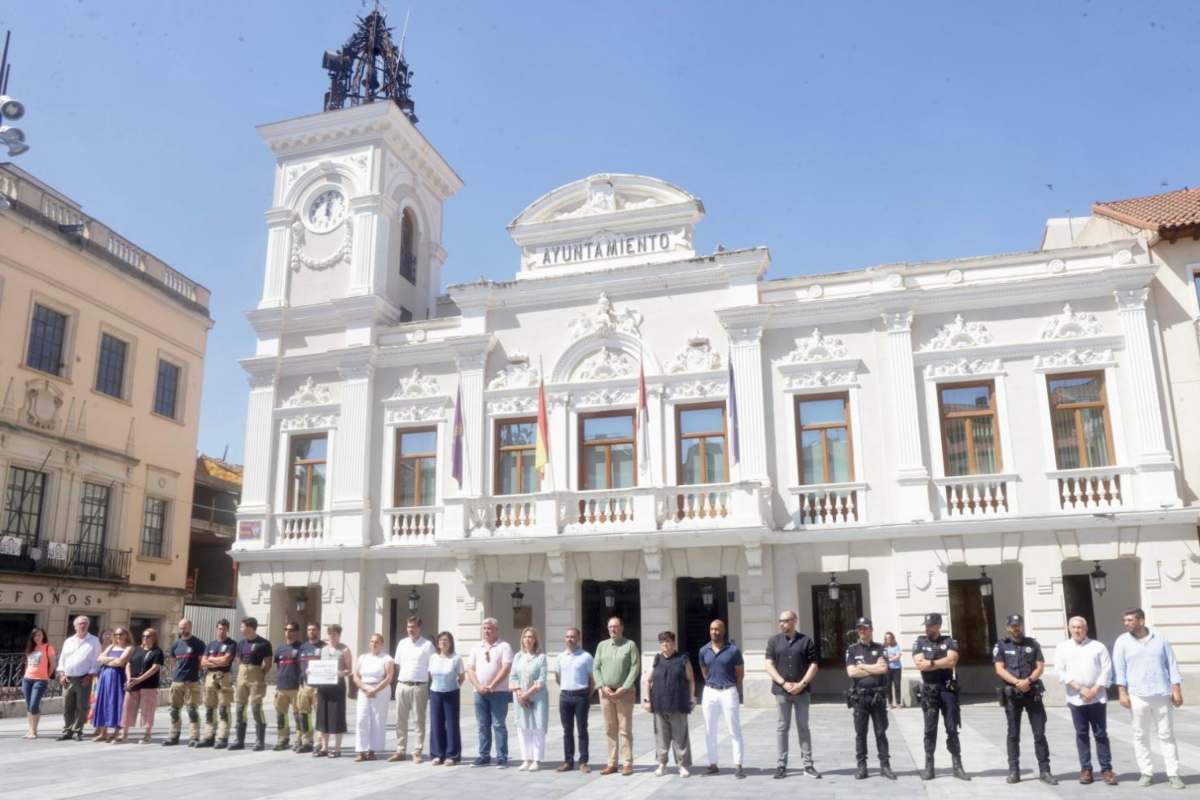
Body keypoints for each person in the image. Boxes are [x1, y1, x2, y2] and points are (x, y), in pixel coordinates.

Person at [1112, 607, 1185, 790]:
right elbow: (1119, 670)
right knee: (1140, 735)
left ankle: (1173, 773)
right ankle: (1147, 773)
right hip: (1137, 695)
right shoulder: (1122, 641)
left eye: (1130, 620)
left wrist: (1176, 689)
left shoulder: (1160, 638)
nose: (1126, 623)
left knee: (1167, 735)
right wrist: (1122, 693)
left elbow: (1172, 664)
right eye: (1125, 620)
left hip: (1161, 693)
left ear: (1141, 621)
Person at [994, 613, 1056, 784]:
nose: (1016, 628)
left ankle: (1045, 771)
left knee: (1039, 733)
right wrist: (1017, 682)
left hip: (1032, 692)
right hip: (1013, 695)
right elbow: (999, 669)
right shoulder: (1001, 645)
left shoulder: (1033, 644)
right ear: (1008, 627)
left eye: (1019, 625)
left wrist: (1028, 681)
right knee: (1013, 734)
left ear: (1022, 625)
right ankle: (1014, 771)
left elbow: (1040, 667)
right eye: (1013, 625)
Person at [1055, 615, 1116, 785]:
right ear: (1069, 628)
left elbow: (1107, 670)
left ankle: (1107, 769)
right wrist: (1080, 688)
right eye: (1074, 627)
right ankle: (1086, 769)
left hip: (1097, 697)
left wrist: (1095, 689)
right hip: (1076, 698)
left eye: (1080, 627)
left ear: (1086, 628)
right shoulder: (1062, 647)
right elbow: (1060, 671)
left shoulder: (1098, 646)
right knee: (1081, 734)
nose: (1077, 630)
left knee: (1101, 734)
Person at [764, 609, 820, 779]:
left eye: (786, 620)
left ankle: (808, 765)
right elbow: (768, 665)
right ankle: (781, 765)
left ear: (795, 620)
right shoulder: (774, 641)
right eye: (780, 621)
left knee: (803, 727)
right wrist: (783, 682)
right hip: (782, 691)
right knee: (782, 727)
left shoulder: (806, 641)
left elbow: (814, 665)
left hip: (802, 692)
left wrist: (802, 684)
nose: (782, 624)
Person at [913, 612, 969, 781]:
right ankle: (929, 766)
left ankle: (957, 766)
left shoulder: (949, 641)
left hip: (947, 688)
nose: (927, 628)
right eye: (926, 625)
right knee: (930, 730)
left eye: (930, 625)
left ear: (938, 626)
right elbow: (919, 664)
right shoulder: (920, 642)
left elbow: (952, 661)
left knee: (952, 728)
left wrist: (931, 662)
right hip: (929, 690)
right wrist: (939, 662)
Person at [845, 617, 896, 780]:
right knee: (860, 734)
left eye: (865, 628)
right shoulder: (852, 650)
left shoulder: (880, 648)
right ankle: (862, 767)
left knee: (881, 732)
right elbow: (852, 673)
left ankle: (885, 766)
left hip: (878, 696)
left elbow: (883, 668)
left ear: (871, 630)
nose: (862, 631)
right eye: (859, 628)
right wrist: (874, 668)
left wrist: (863, 667)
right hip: (860, 697)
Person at [643, 630, 695, 778]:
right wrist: (647, 700)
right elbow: (647, 680)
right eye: (662, 642)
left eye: (668, 641)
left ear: (674, 643)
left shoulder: (683, 659)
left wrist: (692, 698)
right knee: (661, 737)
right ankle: (662, 764)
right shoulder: (657, 659)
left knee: (680, 737)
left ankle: (682, 765)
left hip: (678, 704)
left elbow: (691, 680)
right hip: (659, 704)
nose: (665, 644)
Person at [699, 619, 745, 778]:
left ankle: (738, 765)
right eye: (711, 629)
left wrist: (733, 688)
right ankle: (713, 765)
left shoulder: (733, 650)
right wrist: (712, 684)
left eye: (717, 629)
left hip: (728, 691)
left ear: (723, 631)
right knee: (709, 730)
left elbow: (740, 673)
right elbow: (704, 672)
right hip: (710, 691)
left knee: (734, 729)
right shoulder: (703, 650)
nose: (714, 632)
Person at [594, 616, 639, 777]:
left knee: (625, 729)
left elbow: (635, 668)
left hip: (624, 694)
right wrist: (602, 685)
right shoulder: (602, 646)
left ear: (622, 627)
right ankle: (612, 763)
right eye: (610, 627)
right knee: (609, 728)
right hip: (606, 694)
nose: (613, 629)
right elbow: (596, 668)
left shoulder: (630, 645)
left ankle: (627, 763)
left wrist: (624, 687)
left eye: (616, 626)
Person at [467, 617, 514, 768]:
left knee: (499, 724)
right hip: (479, 692)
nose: (486, 631)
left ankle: (502, 757)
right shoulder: (476, 647)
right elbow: (470, 669)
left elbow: (506, 668)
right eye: (484, 628)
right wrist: (479, 685)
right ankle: (484, 756)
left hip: (498, 692)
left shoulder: (504, 646)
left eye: (490, 628)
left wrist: (492, 685)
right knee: (482, 725)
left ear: (496, 630)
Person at [391, 615, 435, 763]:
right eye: (408, 627)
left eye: (413, 627)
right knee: (400, 719)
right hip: (402, 685)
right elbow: (397, 665)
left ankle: (417, 750)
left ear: (419, 628)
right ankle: (400, 750)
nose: (410, 630)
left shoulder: (427, 645)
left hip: (419, 687)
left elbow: (432, 666)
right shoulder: (402, 644)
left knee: (418, 720)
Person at [553, 626, 593, 773]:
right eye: (567, 637)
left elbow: (592, 679)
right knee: (567, 730)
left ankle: (583, 761)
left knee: (582, 730)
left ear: (578, 638)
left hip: (581, 696)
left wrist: (587, 695)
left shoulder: (586, 657)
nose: (570, 639)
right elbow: (557, 677)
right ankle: (568, 761)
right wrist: (566, 687)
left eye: (573, 637)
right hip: (565, 696)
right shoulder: (560, 657)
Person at [230, 616, 272, 751]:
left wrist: (260, 674)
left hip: (256, 676)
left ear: (250, 628)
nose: (241, 629)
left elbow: (268, 663)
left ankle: (260, 741)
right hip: (242, 675)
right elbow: (238, 659)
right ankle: (239, 740)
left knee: (255, 708)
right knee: (239, 708)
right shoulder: (241, 643)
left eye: (242, 626)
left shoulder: (264, 643)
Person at [56, 615, 101, 741]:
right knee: (67, 706)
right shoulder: (69, 641)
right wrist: (62, 674)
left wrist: (90, 675)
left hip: (83, 678)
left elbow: (96, 660)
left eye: (85, 623)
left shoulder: (94, 640)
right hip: (68, 678)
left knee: (82, 706)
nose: (83, 625)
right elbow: (63, 659)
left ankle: (78, 730)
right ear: (75, 626)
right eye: (80, 623)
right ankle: (67, 731)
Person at [510, 626, 549, 771]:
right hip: (520, 698)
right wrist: (520, 693)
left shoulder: (541, 657)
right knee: (523, 727)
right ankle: (526, 758)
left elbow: (541, 680)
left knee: (537, 727)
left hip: (537, 698)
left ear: (535, 640)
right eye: (525, 637)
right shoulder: (518, 657)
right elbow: (513, 676)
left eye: (530, 637)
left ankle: (537, 760)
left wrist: (527, 694)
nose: (528, 639)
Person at [353, 633, 395, 762]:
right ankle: (361, 750)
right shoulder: (363, 658)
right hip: (364, 690)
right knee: (362, 719)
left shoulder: (386, 658)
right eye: (372, 641)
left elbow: (388, 677)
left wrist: (375, 690)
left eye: (377, 642)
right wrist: (365, 688)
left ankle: (372, 750)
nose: (374, 644)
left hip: (380, 690)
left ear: (381, 644)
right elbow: (355, 675)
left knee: (377, 720)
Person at [164, 618, 205, 747]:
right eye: (181, 628)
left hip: (192, 682)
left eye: (185, 628)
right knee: (175, 710)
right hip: (177, 682)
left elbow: (201, 663)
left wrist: (196, 675)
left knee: (192, 710)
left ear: (190, 627)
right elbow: (172, 661)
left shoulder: (198, 644)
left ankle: (194, 737)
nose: (182, 630)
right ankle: (173, 736)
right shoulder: (176, 644)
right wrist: (174, 674)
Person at [197, 618, 236, 748]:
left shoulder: (231, 644)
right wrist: (215, 660)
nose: (221, 631)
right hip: (209, 678)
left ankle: (222, 737)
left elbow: (226, 661)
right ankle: (209, 736)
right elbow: (203, 663)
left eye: (224, 629)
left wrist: (211, 659)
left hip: (223, 677)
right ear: (216, 629)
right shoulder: (210, 645)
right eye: (219, 628)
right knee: (209, 708)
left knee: (223, 708)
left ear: (227, 630)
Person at [315, 623, 352, 758]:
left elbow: (349, 669)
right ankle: (324, 747)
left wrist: (341, 673)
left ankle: (337, 748)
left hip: (337, 687)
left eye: (334, 634)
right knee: (323, 716)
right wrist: (312, 671)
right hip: (324, 687)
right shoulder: (323, 650)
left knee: (336, 716)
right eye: (329, 633)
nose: (331, 636)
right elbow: (318, 667)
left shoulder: (345, 649)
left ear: (339, 635)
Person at [121, 628, 164, 744]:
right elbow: (128, 664)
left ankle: (147, 735)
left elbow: (155, 668)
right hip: (133, 683)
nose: (145, 638)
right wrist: (129, 677)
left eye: (148, 636)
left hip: (148, 685)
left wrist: (140, 679)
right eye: (143, 636)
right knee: (127, 708)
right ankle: (124, 734)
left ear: (154, 638)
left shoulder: (157, 652)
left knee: (147, 709)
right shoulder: (137, 649)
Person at [429, 630, 464, 766]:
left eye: (446, 640)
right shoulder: (433, 657)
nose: (443, 642)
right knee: (436, 723)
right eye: (441, 640)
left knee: (451, 724)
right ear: (438, 643)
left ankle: (452, 755)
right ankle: (437, 754)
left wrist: (451, 686)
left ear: (450, 643)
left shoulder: (456, 658)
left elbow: (461, 677)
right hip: (435, 692)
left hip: (451, 693)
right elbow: (431, 674)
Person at [91, 627, 133, 742]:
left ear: (126, 635)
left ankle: (116, 732)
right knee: (104, 701)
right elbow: (100, 658)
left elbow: (121, 662)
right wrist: (113, 659)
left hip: (118, 677)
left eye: (121, 634)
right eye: (116, 634)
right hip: (105, 677)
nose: (118, 636)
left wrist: (107, 660)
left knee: (117, 702)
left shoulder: (129, 648)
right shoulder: (110, 647)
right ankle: (103, 733)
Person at [273, 622, 304, 751]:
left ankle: (300, 739)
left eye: (291, 630)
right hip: (281, 687)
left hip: (296, 687)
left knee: (298, 715)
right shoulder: (280, 648)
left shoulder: (302, 647)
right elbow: (278, 666)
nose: (288, 632)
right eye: (286, 629)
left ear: (296, 632)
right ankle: (283, 738)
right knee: (281, 715)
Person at [21, 626, 56, 739]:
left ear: (43, 636)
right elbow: (27, 663)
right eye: (35, 635)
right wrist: (25, 675)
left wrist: (46, 676)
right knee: (28, 705)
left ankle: (34, 731)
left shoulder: (48, 647)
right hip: (27, 679)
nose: (37, 637)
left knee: (34, 705)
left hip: (40, 680)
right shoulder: (31, 648)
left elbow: (53, 665)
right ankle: (30, 730)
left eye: (39, 635)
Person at [295, 623, 324, 754]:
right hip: (305, 686)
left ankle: (319, 742)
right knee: (304, 714)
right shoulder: (303, 647)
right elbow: (299, 666)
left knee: (319, 715)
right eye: (309, 629)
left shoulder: (324, 647)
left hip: (319, 687)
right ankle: (307, 741)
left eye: (314, 629)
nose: (311, 631)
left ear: (318, 631)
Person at [883, 632, 903, 708]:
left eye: (889, 637)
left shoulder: (896, 646)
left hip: (897, 669)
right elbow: (883, 657)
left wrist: (889, 658)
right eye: (886, 638)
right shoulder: (884, 647)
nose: (888, 639)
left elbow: (898, 656)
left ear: (892, 638)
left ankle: (898, 703)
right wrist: (892, 658)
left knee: (897, 685)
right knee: (888, 686)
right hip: (887, 669)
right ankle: (890, 703)